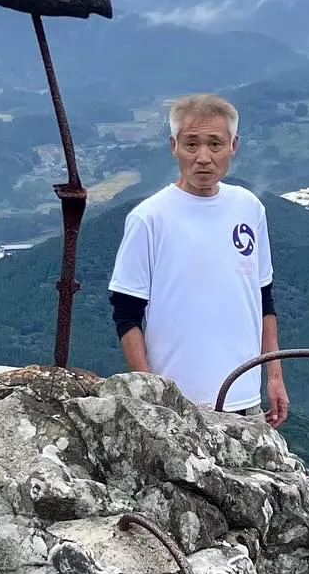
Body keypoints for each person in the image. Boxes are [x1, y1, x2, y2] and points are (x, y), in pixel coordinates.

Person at [107, 93, 289, 426]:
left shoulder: (249, 208)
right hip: (177, 406)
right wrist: (152, 394)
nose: (203, 157)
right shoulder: (149, 218)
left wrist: (274, 376)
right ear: (173, 145)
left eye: (215, 144)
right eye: (191, 145)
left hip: (246, 402)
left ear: (233, 145)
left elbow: (264, 298)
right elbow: (125, 311)